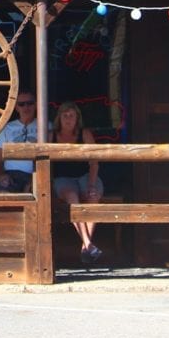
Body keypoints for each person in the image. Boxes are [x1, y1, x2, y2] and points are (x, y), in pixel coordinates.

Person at [51, 101, 104, 263]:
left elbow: (94, 161)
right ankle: (88, 243)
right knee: (72, 197)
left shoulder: (84, 134)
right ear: (59, 118)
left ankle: (85, 246)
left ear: (77, 118)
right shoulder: (51, 136)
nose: (68, 119)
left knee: (93, 197)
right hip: (62, 178)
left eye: (71, 116)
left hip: (84, 176)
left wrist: (92, 184)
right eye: (64, 115)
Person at [0, 92, 38, 192]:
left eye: (30, 103)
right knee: (0, 194)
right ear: (16, 107)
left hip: (36, 175)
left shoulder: (46, 126)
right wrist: (2, 176)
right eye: (21, 104)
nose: (26, 107)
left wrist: (35, 179)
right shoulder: (7, 128)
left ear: (36, 105)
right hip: (11, 175)